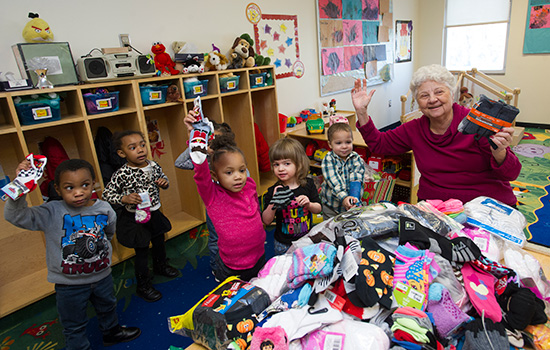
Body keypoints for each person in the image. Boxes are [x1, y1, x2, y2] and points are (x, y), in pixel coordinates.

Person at [4, 159, 141, 350]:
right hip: (69, 285)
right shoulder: (51, 211)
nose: (78, 192)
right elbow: (15, 216)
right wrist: (21, 186)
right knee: (73, 323)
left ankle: (112, 333)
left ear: (93, 183)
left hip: (102, 276)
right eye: (69, 188)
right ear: (58, 189)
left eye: (85, 185)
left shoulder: (104, 208)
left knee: (108, 307)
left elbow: (108, 233)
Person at [351, 64, 521, 206]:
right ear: (418, 102)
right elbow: (379, 144)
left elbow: (511, 173)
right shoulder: (414, 129)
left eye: (439, 92)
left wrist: (500, 153)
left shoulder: (476, 123)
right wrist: (362, 112)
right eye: (424, 95)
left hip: (485, 207)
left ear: (452, 94)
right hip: (436, 208)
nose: (432, 99)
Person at [183, 112, 266, 282]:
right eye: (229, 172)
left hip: (258, 256)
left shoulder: (249, 184)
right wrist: (194, 134)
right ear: (214, 176)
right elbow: (200, 171)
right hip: (232, 265)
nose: (238, 177)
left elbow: (255, 210)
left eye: (241, 170)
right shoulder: (213, 195)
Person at [102, 130, 179, 303]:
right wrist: (124, 198)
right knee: (142, 250)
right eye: (133, 147)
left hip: (154, 212)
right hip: (135, 217)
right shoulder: (121, 174)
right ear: (122, 153)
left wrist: (164, 183)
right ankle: (143, 285)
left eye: (142, 145)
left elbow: (163, 179)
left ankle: (161, 266)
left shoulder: (153, 165)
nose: (140, 150)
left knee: (159, 241)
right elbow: (107, 194)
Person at [175, 117, 235, 278]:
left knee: (232, 236)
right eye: (209, 141)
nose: (211, 146)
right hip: (214, 208)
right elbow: (179, 163)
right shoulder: (203, 161)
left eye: (215, 142)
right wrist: (195, 143)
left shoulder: (233, 161)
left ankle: (233, 262)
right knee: (215, 239)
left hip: (232, 208)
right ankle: (217, 268)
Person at [261, 137, 322, 255]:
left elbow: (318, 209)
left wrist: (309, 204)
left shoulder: (308, 184)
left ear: (298, 164)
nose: (281, 168)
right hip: (282, 244)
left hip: (305, 241)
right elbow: (266, 221)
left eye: (286, 163)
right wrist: (273, 202)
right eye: (276, 164)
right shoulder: (273, 190)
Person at [320, 122, 367, 219]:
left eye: (348, 142)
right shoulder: (328, 159)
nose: (344, 146)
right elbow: (334, 181)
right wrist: (344, 197)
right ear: (330, 144)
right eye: (338, 143)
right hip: (331, 207)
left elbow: (356, 177)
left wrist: (354, 198)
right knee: (331, 229)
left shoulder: (356, 158)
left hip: (351, 206)